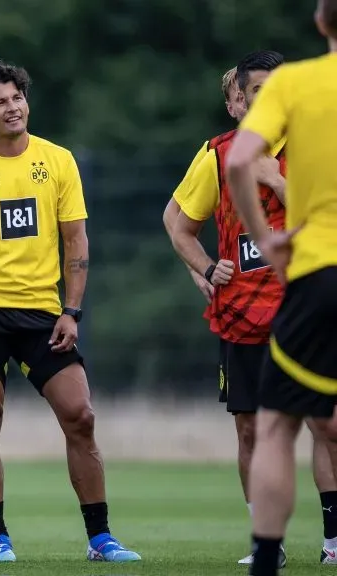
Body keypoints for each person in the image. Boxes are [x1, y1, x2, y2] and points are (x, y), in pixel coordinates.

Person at [0, 59, 141, 564]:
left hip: (44, 314)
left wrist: (72, 311)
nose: (13, 107)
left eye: (18, 97)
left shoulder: (59, 161)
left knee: (81, 416)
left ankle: (101, 539)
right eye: (1, 101)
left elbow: (76, 241)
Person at [171, 50, 337, 568]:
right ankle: (268, 544)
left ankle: (333, 538)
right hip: (242, 314)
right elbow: (177, 223)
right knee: (251, 428)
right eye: (255, 92)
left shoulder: (315, 147)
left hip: (305, 305)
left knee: (324, 425)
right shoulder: (219, 154)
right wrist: (204, 269)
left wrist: (275, 178)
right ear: (239, 100)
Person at [225, 2, 337, 574]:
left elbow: (241, 160)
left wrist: (266, 238)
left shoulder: (297, 83)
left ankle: (267, 559)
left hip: (318, 271)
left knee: (276, 425)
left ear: (322, 22)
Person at [163, 67, 247, 303]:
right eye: (238, 97)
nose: (248, 101)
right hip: (241, 297)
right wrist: (200, 269)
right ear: (230, 108)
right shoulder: (214, 152)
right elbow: (172, 213)